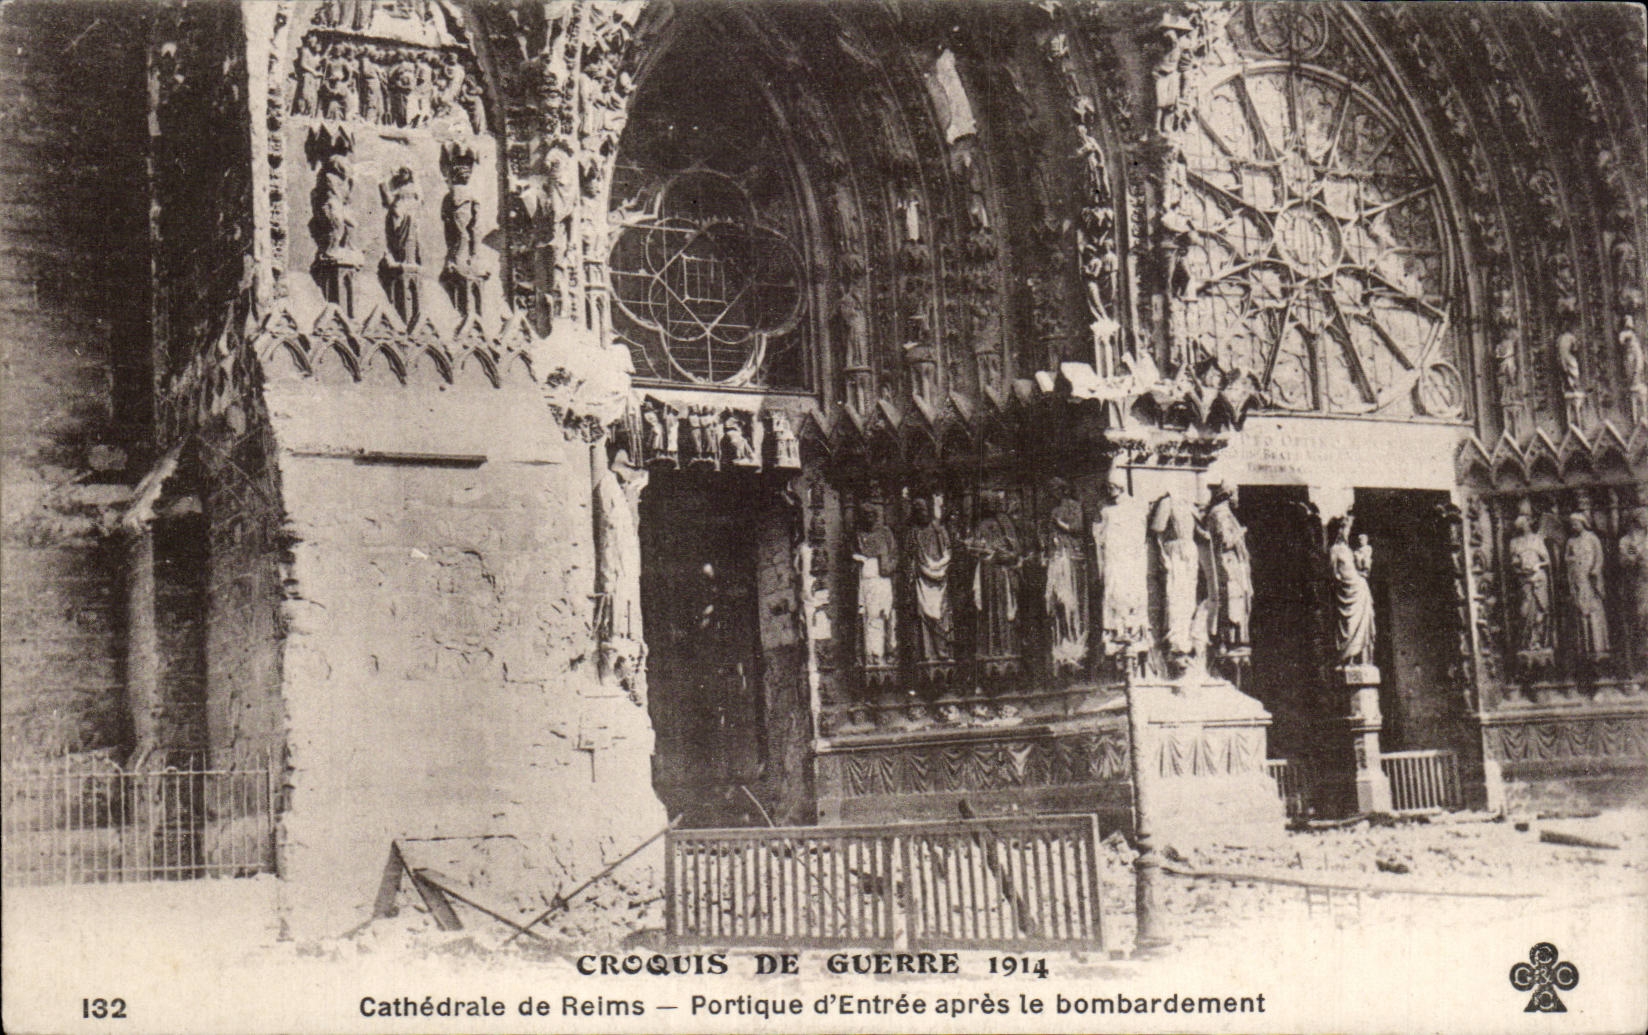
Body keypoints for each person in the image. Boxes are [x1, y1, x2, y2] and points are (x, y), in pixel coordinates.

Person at [1045, 480, 1090, 671]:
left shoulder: (1073, 506)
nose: (1053, 494)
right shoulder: (1054, 509)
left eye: (1055, 490)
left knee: (1071, 602)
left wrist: (1059, 523)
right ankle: (1062, 650)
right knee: (1059, 603)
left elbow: (1078, 527)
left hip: (1071, 557)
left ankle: (1076, 648)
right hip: (1057, 557)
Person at [854, 504, 898, 667]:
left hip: (883, 581)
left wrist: (888, 567)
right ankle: (874, 656)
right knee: (871, 618)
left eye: (871, 514)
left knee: (887, 615)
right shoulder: (859, 536)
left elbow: (894, 556)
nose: (868, 518)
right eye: (865, 515)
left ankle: (890, 654)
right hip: (868, 582)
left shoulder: (885, 533)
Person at [1328, 516, 1375, 668]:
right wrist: (1342, 582)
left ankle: (1363, 658)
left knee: (1364, 621)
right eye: (1344, 529)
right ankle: (1347, 658)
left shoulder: (1349, 550)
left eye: (1347, 530)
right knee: (1347, 625)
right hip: (1346, 590)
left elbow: (1358, 569)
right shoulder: (1335, 550)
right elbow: (1334, 572)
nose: (1346, 533)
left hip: (1359, 588)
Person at [909, 498, 952, 662]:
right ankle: (927, 653)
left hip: (938, 579)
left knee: (940, 615)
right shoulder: (914, 532)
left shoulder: (938, 529)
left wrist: (937, 566)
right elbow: (909, 555)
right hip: (921, 581)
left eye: (924, 510)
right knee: (923, 616)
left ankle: (942, 651)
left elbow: (948, 552)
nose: (922, 515)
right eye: (918, 512)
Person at [1565, 512, 1610, 661]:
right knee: (1581, 610)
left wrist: (1595, 571)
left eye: (1576, 523)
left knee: (1593, 610)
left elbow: (1599, 557)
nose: (1574, 527)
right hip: (1578, 578)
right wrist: (1572, 561)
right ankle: (1584, 646)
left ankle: (1598, 645)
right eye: (1572, 524)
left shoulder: (1592, 538)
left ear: (1583, 523)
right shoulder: (1571, 541)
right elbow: (1567, 558)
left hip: (1590, 579)